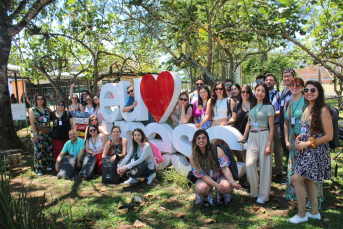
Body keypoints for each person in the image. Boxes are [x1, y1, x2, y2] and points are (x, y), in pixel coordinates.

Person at [287, 81, 332, 224]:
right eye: (306, 90)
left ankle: (301, 215)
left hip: (315, 151)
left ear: (319, 92)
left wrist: (307, 143)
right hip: (305, 149)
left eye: (313, 90)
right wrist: (300, 137)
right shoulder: (307, 107)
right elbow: (306, 129)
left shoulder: (323, 110)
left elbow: (328, 136)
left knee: (296, 180)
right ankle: (314, 212)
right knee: (308, 181)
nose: (309, 92)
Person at [284, 78, 324, 209]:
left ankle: (313, 200)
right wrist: (287, 140)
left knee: (308, 173)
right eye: (292, 85)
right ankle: (296, 195)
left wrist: (306, 141)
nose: (294, 87)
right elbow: (286, 123)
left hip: (308, 141)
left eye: (298, 85)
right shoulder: (288, 103)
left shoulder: (307, 103)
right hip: (293, 139)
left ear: (302, 88)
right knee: (295, 169)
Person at [238, 83, 275, 204]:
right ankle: (254, 191)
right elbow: (249, 122)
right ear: (255, 91)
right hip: (252, 137)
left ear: (266, 94)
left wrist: (269, 145)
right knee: (249, 164)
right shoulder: (253, 107)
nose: (259, 93)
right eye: (258, 90)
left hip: (264, 135)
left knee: (265, 167)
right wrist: (244, 137)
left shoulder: (268, 107)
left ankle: (263, 195)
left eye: (262, 91)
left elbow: (272, 127)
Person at [190, 129, 242, 206]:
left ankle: (221, 196)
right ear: (195, 140)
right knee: (202, 188)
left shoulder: (216, 150)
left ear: (207, 139)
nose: (201, 140)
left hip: (219, 176)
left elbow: (225, 168)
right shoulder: (193, 157)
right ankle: (205, 198)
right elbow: (203, 176)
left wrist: (232, 182)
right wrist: (216, 185)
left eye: (203, 138)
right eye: (198, 138)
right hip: (205, 178)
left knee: (227, 186)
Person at [227, 84, 254, 161]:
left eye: (247, 92)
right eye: (243, 92)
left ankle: (251, 171)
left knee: (251, 156)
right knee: (243, 156)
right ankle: (245, 172)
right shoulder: (237, 104)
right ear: (240, 93)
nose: (245, 94)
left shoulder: (254, 104)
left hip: (251, 133)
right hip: (239, 133)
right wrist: (227, 123)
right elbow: (233, 118)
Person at [29, 94, 54, 175]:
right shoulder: (32, 109)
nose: (40, 100)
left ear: (44, 100)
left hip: (47, 132)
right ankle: (39, 168)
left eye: (41, 99)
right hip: (38, 132)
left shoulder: (47, 109)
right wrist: (35, 134)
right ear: (36, 100)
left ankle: (48, 165)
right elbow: (32, 123)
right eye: (38, 99)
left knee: (48, 149)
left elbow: (53, 116)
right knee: (39, 150)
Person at [266, 73, 284, 183]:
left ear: (275, 82)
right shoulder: (260, 93)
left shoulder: (279, 95)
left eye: (271, 80)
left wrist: (270, 114)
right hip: (264, 126)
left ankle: (279, 172)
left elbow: (282, 110)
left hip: (276, 125)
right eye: (267, 80)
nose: (268, 82)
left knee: (277, 149)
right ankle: (266, 171)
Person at [277, 68, 295, 162]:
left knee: (295, 154)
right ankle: (290, 174)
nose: (286, 78)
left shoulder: (296, 91)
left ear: (294, 77)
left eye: (288, 76)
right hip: (282, 128)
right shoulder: (283, 92)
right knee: (287, 154)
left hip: (293, 128)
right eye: (284, 76)